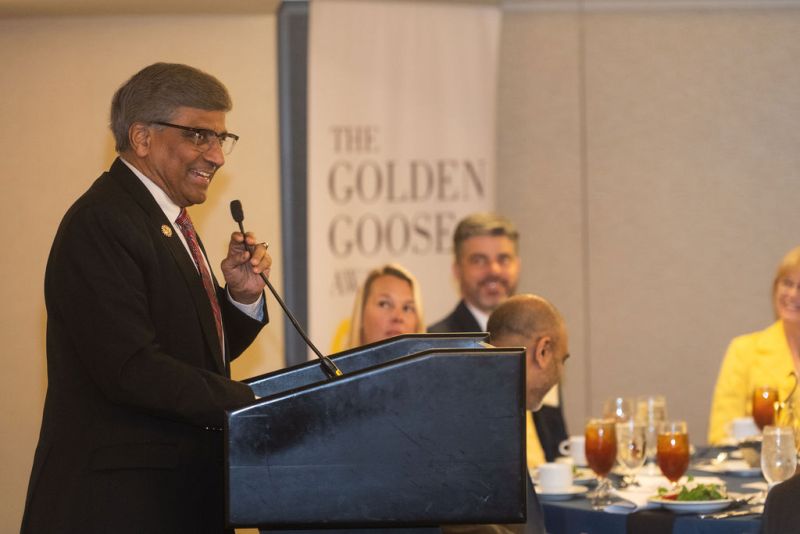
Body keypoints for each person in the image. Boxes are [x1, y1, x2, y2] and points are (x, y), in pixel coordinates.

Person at [21, 63, 271, 534]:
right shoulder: (102, 221)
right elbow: (132, 369)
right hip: (120, 508)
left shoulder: (164, 222)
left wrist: (237, 299)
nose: (217, 156)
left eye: (221, 139)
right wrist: (256, 402)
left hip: (173, 501)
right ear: (141, 138)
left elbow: (188, 355)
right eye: (200, 136)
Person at [428, 213, 568, 466]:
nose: (493, 270)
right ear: (457, 270)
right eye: (479, 260)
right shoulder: (436, 347)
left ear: (518, 265)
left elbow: (555, 436)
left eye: (503, 259)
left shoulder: (542, 333)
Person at [443, 294, 570, 534]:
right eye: (562, 360)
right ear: (543, 351)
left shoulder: (477, 404)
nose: (561, 374)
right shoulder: (486, 424)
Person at [708, 246, 800, 444]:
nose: (792, 294)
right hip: (756, 471)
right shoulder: (744, 350)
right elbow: (721, 435)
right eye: (787, 283)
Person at [333, 263, 425, 351]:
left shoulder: (436, 367)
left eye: (407, 308)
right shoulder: (336, 367)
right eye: (384, 304)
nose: (398, 317)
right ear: (361, 315)